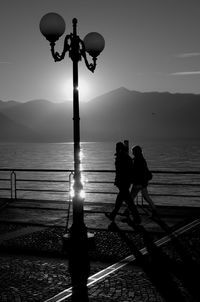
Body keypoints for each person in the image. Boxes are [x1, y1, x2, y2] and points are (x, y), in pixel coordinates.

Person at [105, 142, 141, 224]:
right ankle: (113, 215)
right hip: (125, 182)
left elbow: (120, 171)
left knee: (128, 201)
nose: (116, 149)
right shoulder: (126, 157)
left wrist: (118, 180)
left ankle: (137, 218)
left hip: (123, 182)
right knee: (121, 199)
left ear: (118, 148)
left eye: (116, 147)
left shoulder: (121, 157)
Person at [130, 145, 157, 214]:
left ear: (135, 152)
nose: (132, 153)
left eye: (133, 151)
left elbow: (135, 172)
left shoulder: (136, 160)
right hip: (143, 182)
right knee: (146, 196)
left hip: (138, 182)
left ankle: (129, 211)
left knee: (131, 197)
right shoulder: (142, 159)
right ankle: (154, 209)